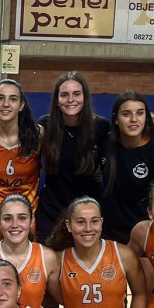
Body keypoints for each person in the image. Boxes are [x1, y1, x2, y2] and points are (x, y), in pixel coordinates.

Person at [35, 72, 109, 242]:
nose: (70, 100)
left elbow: (109, 167)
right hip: (52, 209)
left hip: (87, 209)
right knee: (49, 257)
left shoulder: (101, 127)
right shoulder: (46, 124)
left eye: (76, 94)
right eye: (64, 95)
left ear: (85, 97)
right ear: (57, 99)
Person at [100, 90, 154, 243]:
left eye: (140, 113)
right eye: (126, 114)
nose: (134, 119)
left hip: (145, 237)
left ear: (146, 118)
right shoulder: (106, 144)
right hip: (109, 235)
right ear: (116, 119)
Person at [0, 78, 42, 245]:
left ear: (21, 105)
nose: (6, 104)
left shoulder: (38, 135)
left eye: (13, 99)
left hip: (27, 215)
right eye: (0, 98)